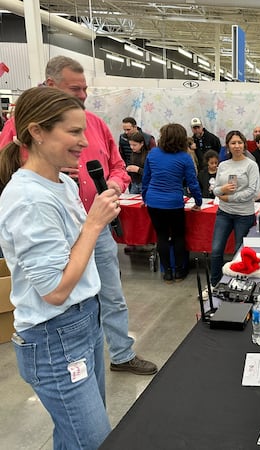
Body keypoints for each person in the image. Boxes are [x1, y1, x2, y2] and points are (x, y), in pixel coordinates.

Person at [0, 55, 157, 375]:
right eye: (75, 88)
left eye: (85, 88)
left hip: (94, 225)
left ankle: (120, 353)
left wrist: (112, 185)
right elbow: (8, 165)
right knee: (63, 302)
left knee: (109, 295)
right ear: (50, 86)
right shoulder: (23, 133)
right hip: (54, 229)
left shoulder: (96, 124)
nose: (83, 95)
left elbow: (117, 165)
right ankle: (74, 361)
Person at [0, 86, 116, 449]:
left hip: (84, 323)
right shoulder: (29, 199)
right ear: (37, 131)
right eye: (74, 131)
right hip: (56, 336)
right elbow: (55, 290)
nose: (85, 141)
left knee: (75, 435)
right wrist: (94, 224)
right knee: (93, 441)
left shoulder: (62, 182)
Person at [142, 123, 202, 283]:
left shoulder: (153, 153)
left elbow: (146, 179)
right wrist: (198, 201)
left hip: (154, 201)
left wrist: (144, 198)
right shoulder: (185, 157)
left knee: (161, 236)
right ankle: (179, 272)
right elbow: (192, 183)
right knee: (178, 236)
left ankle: (167, 272)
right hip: (174, 203)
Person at [209, 130, 260, 287]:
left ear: (244, 144)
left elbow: (252, 191)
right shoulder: (223, 165)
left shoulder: (251, 165)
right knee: (216, 250)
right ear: (228, 146)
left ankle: (237, 285)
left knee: (239, 252)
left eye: (239, 142)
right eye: (233, 143)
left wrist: (230, 198)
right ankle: (215, 284)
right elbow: (216, 190)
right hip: (224, 213)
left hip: (244, 215)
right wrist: (222, 189)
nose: (237, 146)